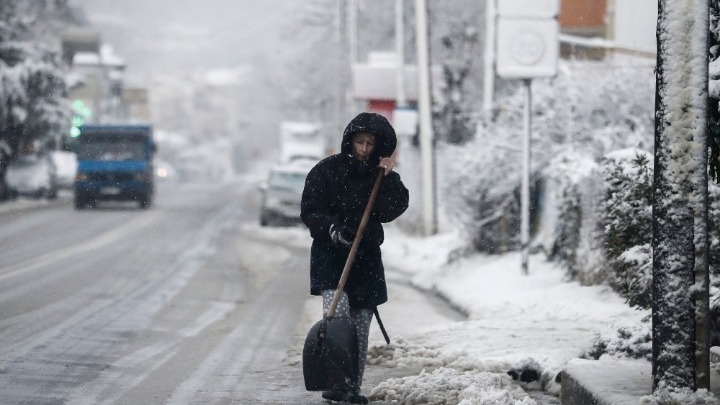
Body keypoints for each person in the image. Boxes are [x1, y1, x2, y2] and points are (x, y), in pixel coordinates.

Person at [301, 112, 409, 404]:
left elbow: (392, 209)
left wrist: (387, 179)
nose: (363, 149)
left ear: (379, 146)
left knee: (361, 328)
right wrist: (333, 230)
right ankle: (336, 381)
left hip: (366, 262)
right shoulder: (326, 171)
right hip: (331, 259)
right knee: (338, 319)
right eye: (359, 141)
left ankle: (352, 388)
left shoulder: (381, 177)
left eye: (370, 143)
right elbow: (310, 211)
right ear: (349, 140)